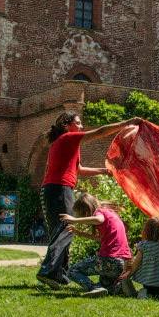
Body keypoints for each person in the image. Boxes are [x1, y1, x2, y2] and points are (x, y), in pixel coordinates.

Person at [35, 111, 140, 289]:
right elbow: (99, 132)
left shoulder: (63, 144)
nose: (81, 126)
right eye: (78, 123)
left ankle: (59, 274)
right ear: (67, 125)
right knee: (65, 230)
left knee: (61, 230)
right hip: (59, 189)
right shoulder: (68, 138)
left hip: (53, 189)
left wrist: (103, 170)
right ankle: (48, 271)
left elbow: (79, 169)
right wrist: (127, 122)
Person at [60, 192, 131, 297]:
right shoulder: (109, 213)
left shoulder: (99, 212)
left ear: (86, 211)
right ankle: (115, 286)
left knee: (73, 270)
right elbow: (99, 238)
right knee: (106, 284)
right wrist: (79, 233)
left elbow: (98, 220)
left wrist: (74, 220)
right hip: (121, 263)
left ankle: (95, 288)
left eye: (81, 214)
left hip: (109, 260)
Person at [118, 217, 159, 300]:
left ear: (146, 231)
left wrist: (129, 274)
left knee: (145, 289)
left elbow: (136, 263)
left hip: (147, 281)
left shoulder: (143, 245)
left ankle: (143, 293)